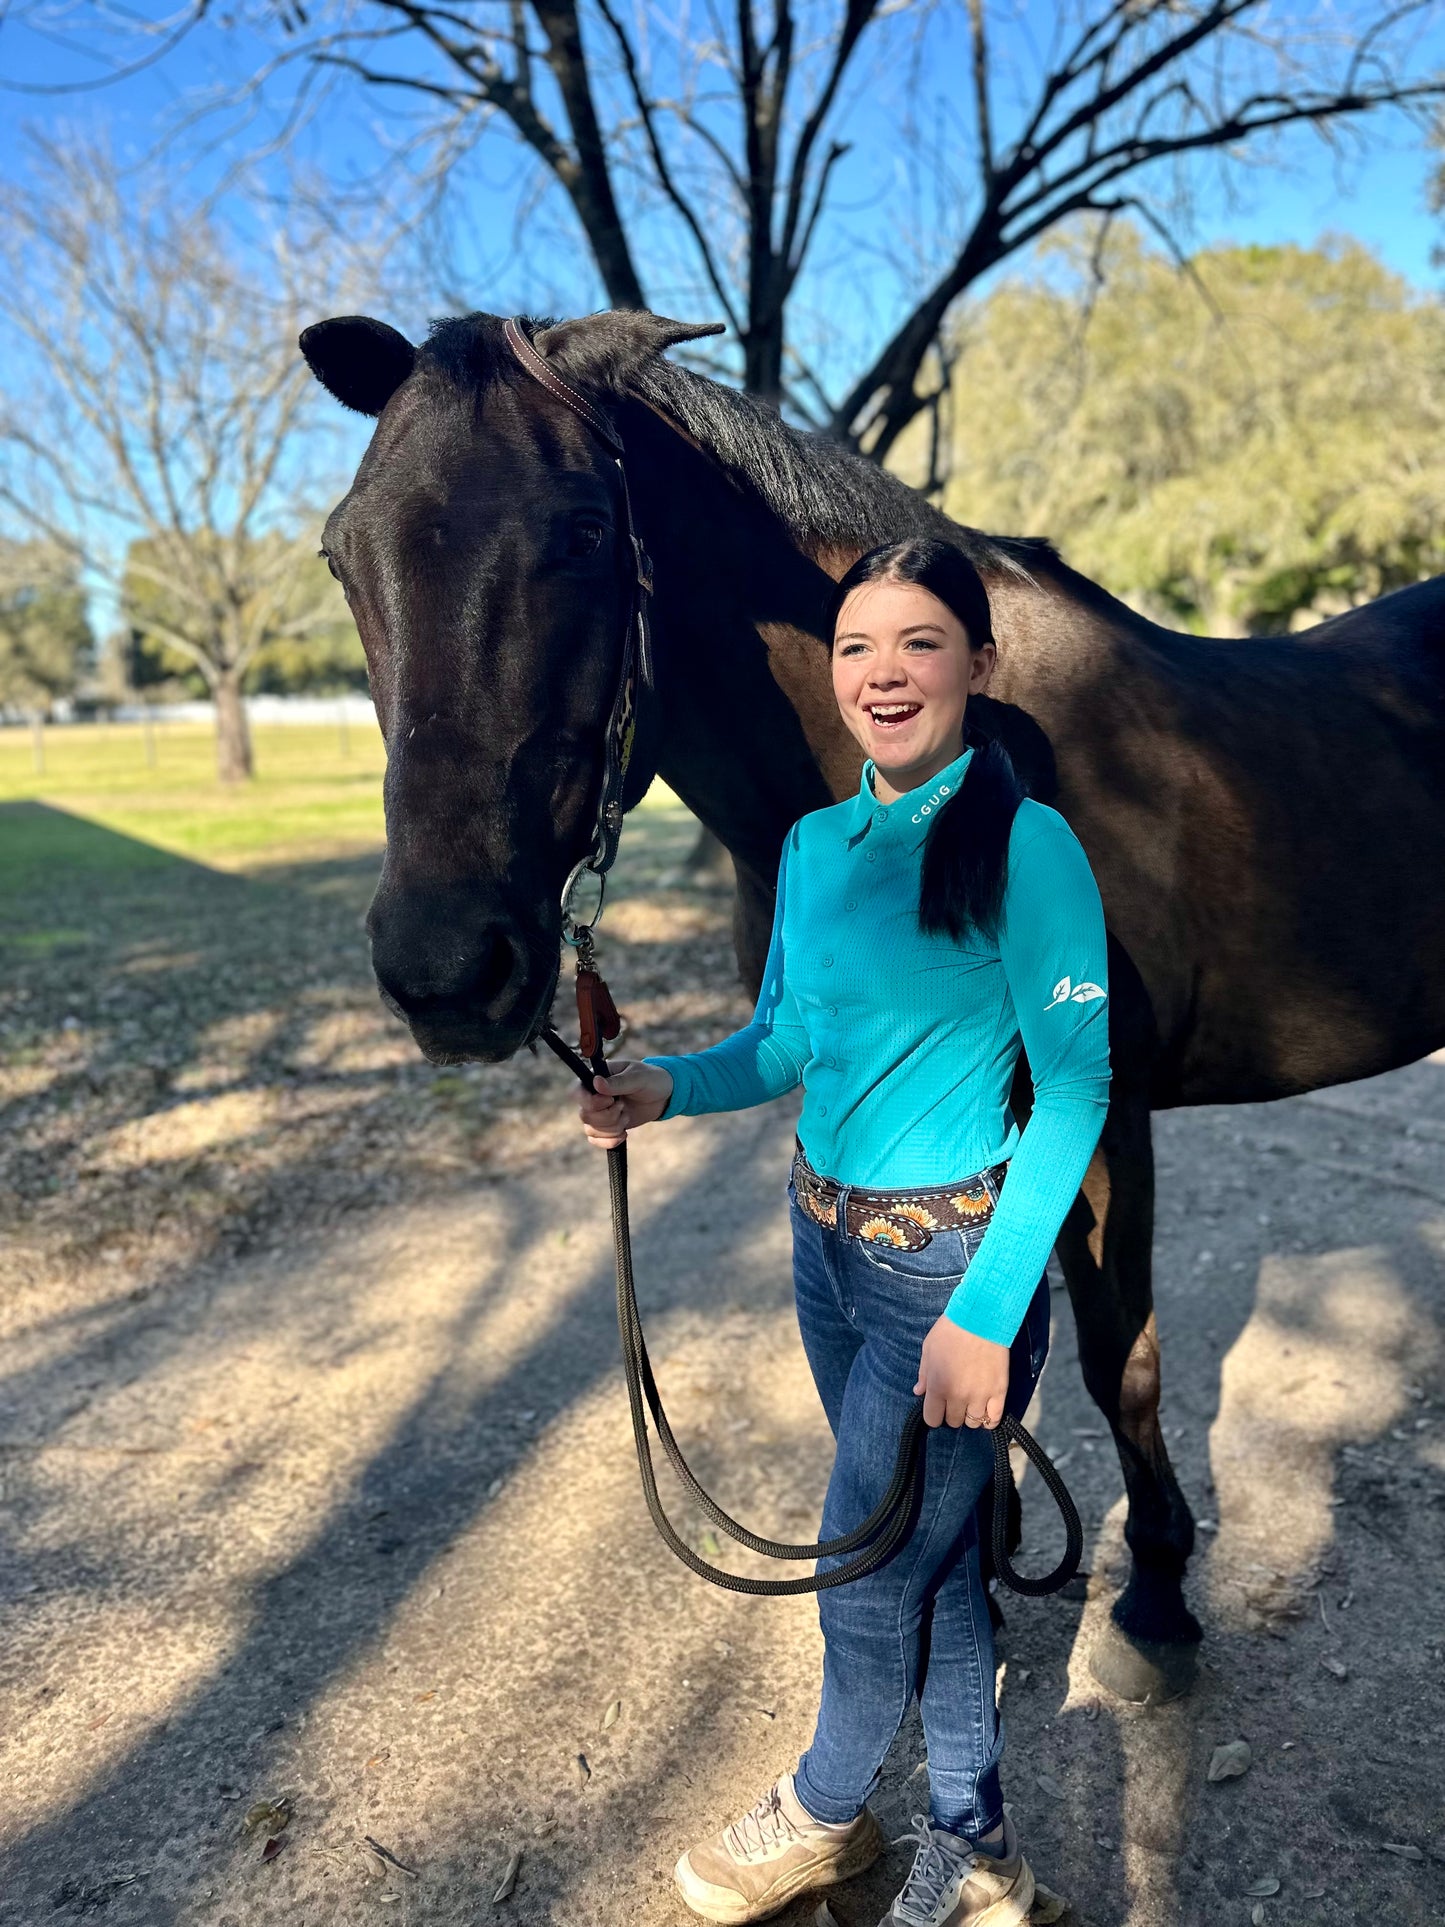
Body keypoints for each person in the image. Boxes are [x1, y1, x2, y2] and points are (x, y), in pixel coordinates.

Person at [576, 536, 1111, 1927]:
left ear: (976, 669)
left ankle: (818, 1813)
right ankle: (978, 1847)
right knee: (920, 1564)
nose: (882, 672)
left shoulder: (1025, 841)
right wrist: (661, 1087)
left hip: (946, 1267)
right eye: (857, 646)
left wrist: (989, 1308)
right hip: (819, 1248)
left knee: (864, 1573)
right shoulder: (812, 846)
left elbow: (1074, 1090)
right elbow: (786, 1041)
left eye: (919, 642)